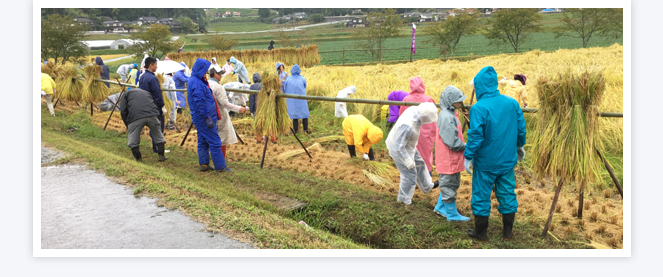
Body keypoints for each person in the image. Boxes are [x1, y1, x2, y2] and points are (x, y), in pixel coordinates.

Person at [464, 66, 527, 241]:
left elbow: (475, 136)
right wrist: (519, 145)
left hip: (485, 163)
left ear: (479, 86)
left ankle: (481, 233)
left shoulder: (478, 108)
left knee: (481, 195)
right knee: (507, 193)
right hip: (507, 160)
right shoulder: (512, 103)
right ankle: (507, 233)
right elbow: (521, 128)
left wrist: (468, 156)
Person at [386, 102, 440, 205]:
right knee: (409, 175)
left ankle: (427, 186)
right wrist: (407, 161)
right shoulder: (408, 126)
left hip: (409, 146)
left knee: (419, 163)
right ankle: (403, 201)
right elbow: (399, 146)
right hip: (398, 149)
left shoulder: (416, 110)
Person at [187, 58, 231, 173]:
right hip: (204, 118)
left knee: (202, 140)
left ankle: (204, 164)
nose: (207, 72)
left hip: (200, 117)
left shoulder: (197, 80)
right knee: (215, 141)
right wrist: (207, 117)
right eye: (205, 70)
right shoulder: (197, 83)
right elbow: (199, 102)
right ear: (200, 69)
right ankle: (220, 167)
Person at [433, 85, 469, 222]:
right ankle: (451, 214)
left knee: (450, 182)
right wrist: (463, 145)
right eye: (457, 100)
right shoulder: (447, 117)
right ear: (449, 100)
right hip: (449, 157)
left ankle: (440, 207)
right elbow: (451, 140)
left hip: (450, 157)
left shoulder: (449, 113)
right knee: (449, 184)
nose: (460, 103)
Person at [399, 77, 437, 176]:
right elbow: (433, 118)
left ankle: (412, 178)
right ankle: (427, 178)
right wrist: (433, 132)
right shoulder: (428, 99)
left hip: (411, 132)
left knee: (411, 153)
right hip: (426, 132)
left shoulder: (407, 99)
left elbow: (402, 117)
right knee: (425, 154)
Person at [209, 67, 249, 161]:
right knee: (222, 138)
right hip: (220, 114)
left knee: (211, 136)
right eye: (219, 74)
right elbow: (225, 104)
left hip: (209, 115)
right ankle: (220, 160)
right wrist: (239, 109)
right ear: (215, 74)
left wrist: (243, 104)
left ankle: (211, 157)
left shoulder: (207, 84)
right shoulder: (218, 87)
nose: (221, 75)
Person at [119, 88, 167, 163]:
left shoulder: (125, 95)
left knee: (133, 139)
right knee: (158, 135)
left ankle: (138, 159)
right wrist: (157, 117)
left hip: (136, 117)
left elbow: (123, 110)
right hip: (152, 115)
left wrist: (128, 125)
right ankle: (161, 156)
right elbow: (155, 104)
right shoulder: (147, 92)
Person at [138, 57, 167, 155]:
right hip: (155, 106)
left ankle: (155, 147)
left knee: (152, 127)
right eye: (155, 64)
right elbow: (157, 93)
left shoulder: (142, 77)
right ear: (151, 65)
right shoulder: (152, 78)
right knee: (158, 127)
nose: (157, 66)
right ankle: (158, 148)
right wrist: (162, 106)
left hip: (145, 105)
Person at [249, 73, 277, 143]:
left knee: (258, 124)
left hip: (257, 109)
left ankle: (259, 139)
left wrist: (251, 110)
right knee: (269, 123)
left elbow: (251, 99)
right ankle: (273, 139)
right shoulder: (266, 86)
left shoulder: (253, 87)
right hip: (267, 109)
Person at [284, 64, 310, 134]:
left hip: (292, 100)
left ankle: (295, 131)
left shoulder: (288, 79)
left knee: (294, 115)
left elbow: (285, 88)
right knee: (304, 114)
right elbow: (305, 86)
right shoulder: (302, 78)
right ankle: (306, 130)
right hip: (302, 99)